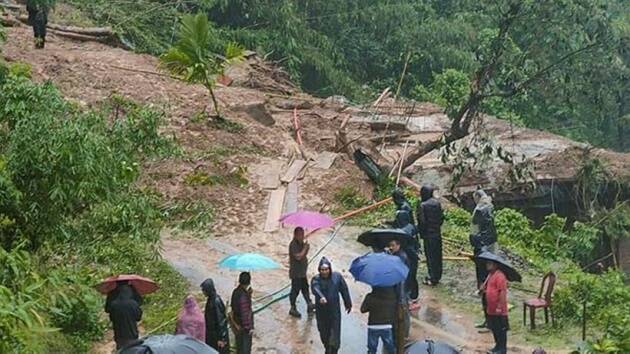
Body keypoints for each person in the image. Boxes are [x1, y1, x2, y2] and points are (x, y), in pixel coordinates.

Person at [469, 189, 498, 330]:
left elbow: (474, 233)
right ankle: (489, 320)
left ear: (477, 197)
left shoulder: (479, 211)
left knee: (484, 286)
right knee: (489, 287)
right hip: (490, 251)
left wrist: (475, 244)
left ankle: (489, 321)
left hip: (482, 253)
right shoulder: (490, 208)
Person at [311, 257, 352, 354]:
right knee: (324, 335)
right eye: (322, 270)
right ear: (319, 270)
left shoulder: (337, 277)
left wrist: (348, 303)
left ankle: (333, 351)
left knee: (335, 338)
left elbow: (344, 290)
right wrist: (321, 297)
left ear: (330, 269)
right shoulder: (316, 279)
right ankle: (327, 348)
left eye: (326, 269)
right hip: (322, 313)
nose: (324, 272)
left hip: (334, 313)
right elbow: (315, 288)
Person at [417, 184, 444, 286]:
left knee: (430, 256)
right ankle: (437, 275)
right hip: (437, 233)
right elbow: (441, 218)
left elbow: (422, 222)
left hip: (428, 235)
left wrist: (422, 233)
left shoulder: (422, 205)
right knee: (437, 256)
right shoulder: (437, 203)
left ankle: (432, 278)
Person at [388, 239, 411, 352]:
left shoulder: (401, 257)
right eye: (390, 245)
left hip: (402, 290)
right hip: (398, 289)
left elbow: (401, 279)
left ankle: (404, 336)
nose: (391, 247)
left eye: (393, 245)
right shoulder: (395, 255)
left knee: (403, 312)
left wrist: (401, 297)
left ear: (398, 245)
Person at [482, 259, 509, 354]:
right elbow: (489, 289)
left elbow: (502, 292)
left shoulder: (500, 276)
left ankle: (502, 349)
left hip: (498, 309)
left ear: (495, 265)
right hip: (491, 308)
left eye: (489, 263)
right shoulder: (490, 275)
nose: (487, 265)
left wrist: (500, 307)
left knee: (501, 329)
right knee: (494, 328)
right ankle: (497, 346)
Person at [105, 283, 143, 350]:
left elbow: (111, 316)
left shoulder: (114, 304)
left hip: (119, 337)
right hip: (132, 336)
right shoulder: (133, 303)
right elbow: (138, 317)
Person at [360, 287, 397, 354]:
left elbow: (362, 310)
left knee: (372, 350)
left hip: (373, 326)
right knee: (390, 349)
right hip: (387, 326)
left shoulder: (370, 296)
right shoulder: (391, 297)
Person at [288, 227, 315, 318]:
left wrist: (305, 248)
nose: (302, 237)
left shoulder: (301, 243)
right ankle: (292, 307)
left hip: (302, 272)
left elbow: (303, 255)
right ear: (295, 235)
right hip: (296, 273)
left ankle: (309, 304)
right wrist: (305, 249)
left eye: (303, 235)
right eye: (300, 235)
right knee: (295, 290)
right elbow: (298, 257)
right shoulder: (293, 245)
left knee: (305, 288)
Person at [395, 210, 420, 300]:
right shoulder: (411, 227)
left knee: (407, 277)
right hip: (414, 255)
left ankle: (408, 296)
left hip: (408, 256)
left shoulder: (401, 231)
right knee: (413, 276)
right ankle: (414, 295)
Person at [201, 278, 230, 353]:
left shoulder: (216, 301)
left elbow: (221, 321)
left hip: (217, 337)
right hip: (212, 336)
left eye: (204, 290)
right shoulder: (211, 299)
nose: (203, 292)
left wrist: (221, 338)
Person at [231, 272, 254, 354]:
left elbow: (233, 307)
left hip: (237, 325)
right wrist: (249, 328)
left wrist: (248, 295)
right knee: (245, 350)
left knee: (239, 347)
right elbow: (245, 314)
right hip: (243, 329)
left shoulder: (235, 291)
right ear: (249, 282)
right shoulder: (243, 297)